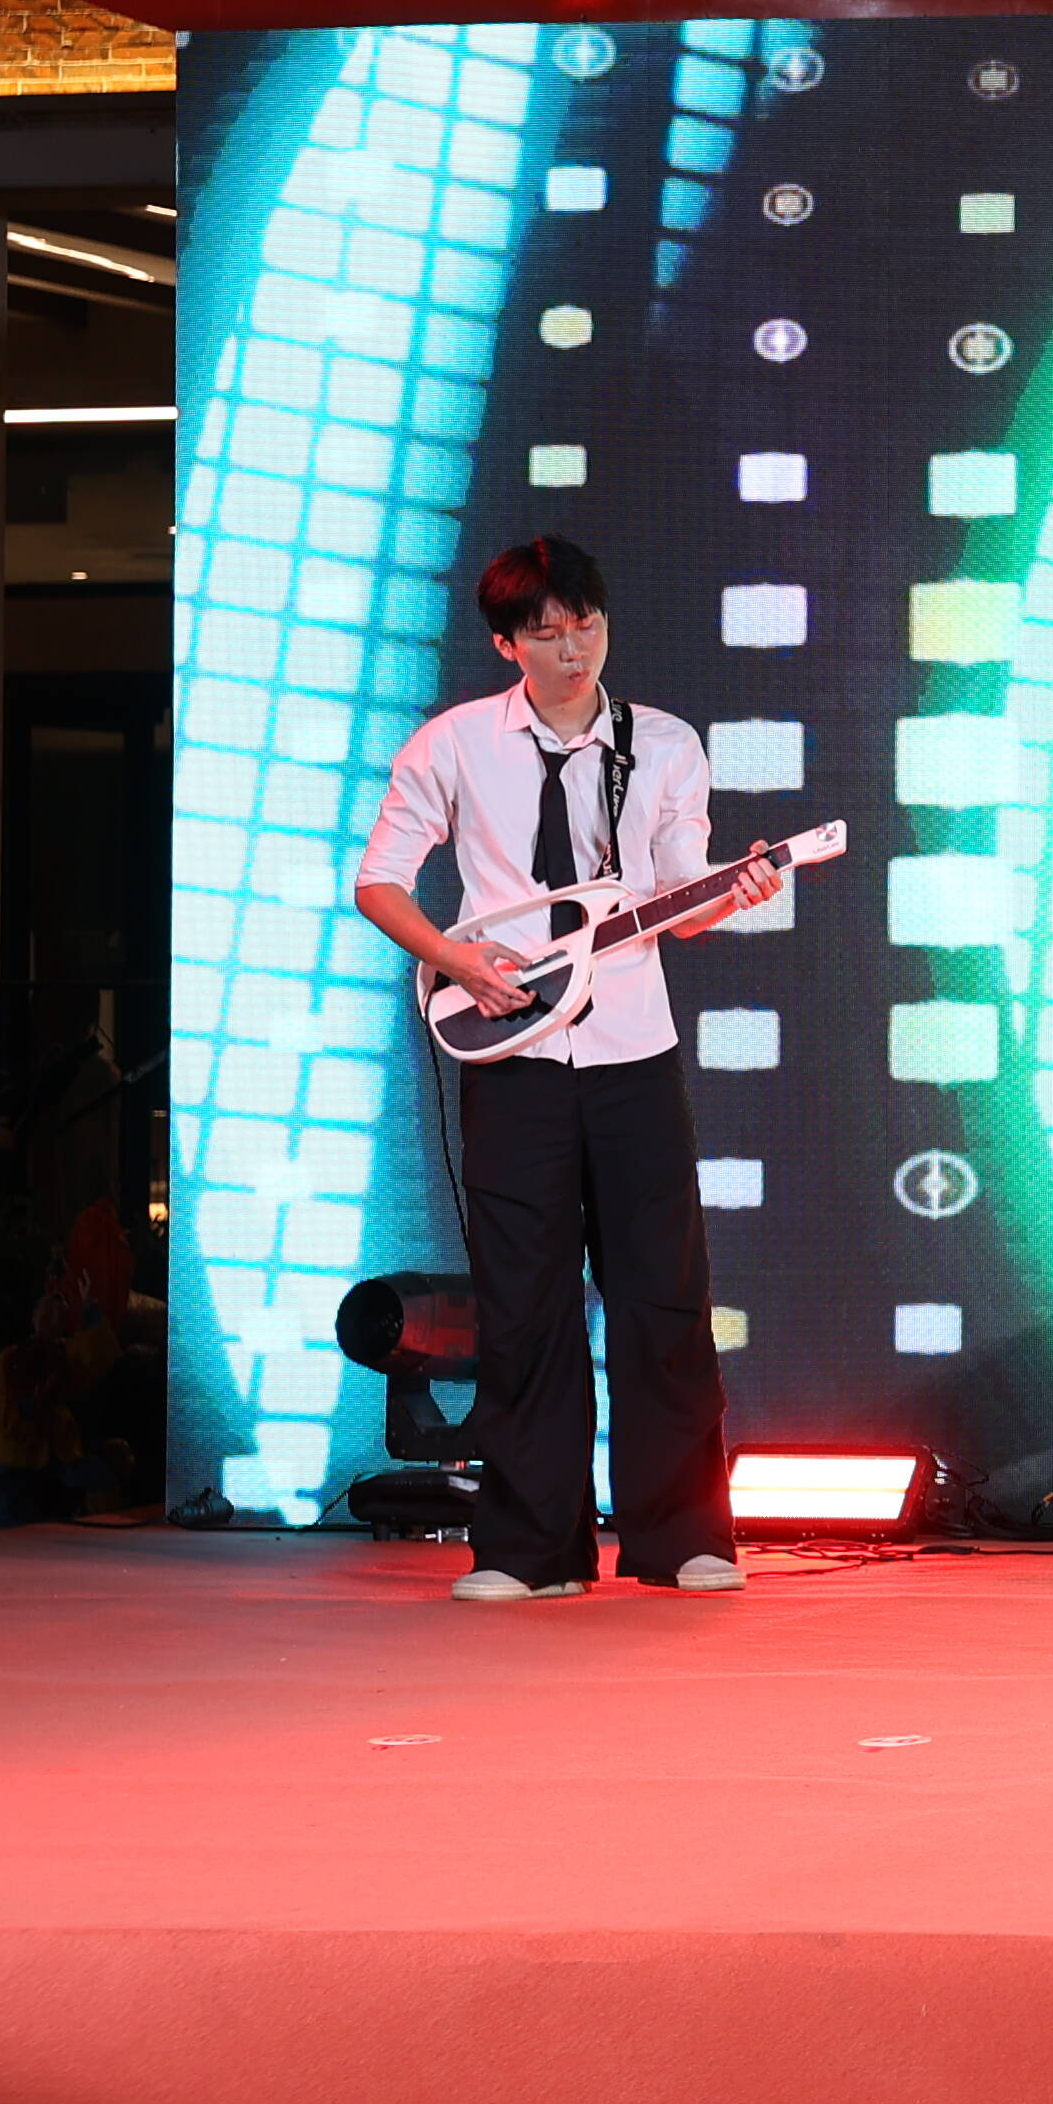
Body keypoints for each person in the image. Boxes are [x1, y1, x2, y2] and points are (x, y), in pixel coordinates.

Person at [351, 538, 783, 1602]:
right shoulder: (454, 744)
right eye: (546, 633)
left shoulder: (664, 744)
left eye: (586, 625)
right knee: (525, 1303)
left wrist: (733, 893)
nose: (572, 649)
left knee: (664, 1295)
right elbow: (380, 881)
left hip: (634, 1047)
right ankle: (529, 1550)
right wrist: (456, 958)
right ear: (507, 644)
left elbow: (679, 901)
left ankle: (682, 1536)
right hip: (514, 1054)